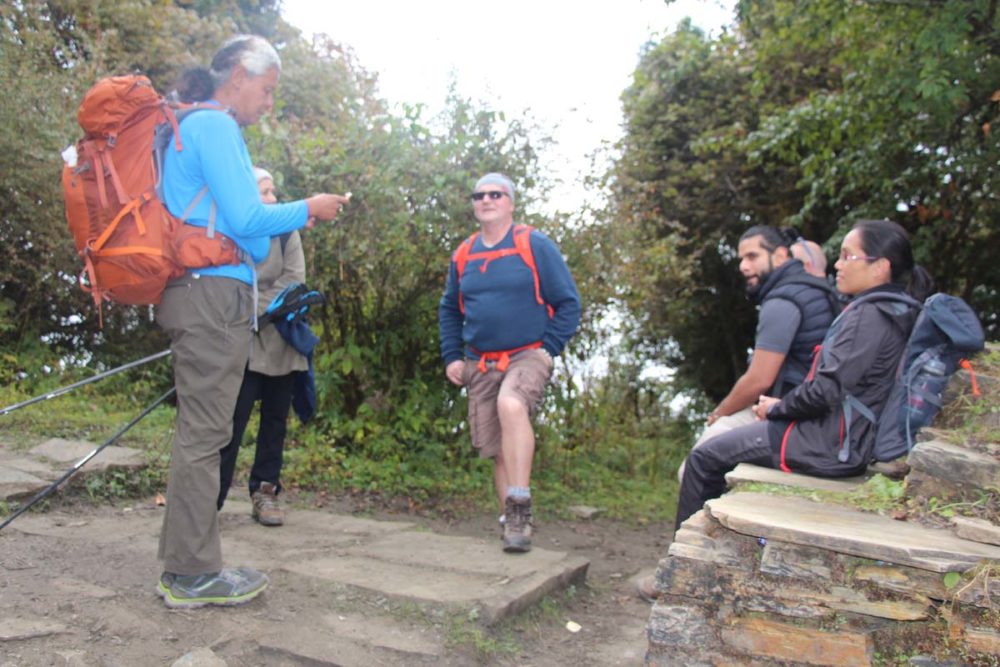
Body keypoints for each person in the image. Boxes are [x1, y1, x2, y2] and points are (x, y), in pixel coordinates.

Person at [155, 35, 349, 609]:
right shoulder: (214, 126)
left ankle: (184, 564)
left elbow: (249, 229)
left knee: (202, 430)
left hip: (200, 291)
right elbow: (247, 219)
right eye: (266, 90)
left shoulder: (192, 125)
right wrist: (308, 208)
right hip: (210, 293)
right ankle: (191, 574)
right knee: (207, 434)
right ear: (238, 74)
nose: (268, 103)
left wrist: (267, 224)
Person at [674, 219, 933, 528]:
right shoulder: (895, 309)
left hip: (826, 444)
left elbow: (825, 391)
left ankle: (685, 554)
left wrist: (777, 409)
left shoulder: (868, 315)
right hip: (843, 436)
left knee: (703, 459)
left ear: (879, 267)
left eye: (848, 256)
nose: (837, 264)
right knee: (712, 455)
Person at [438, 173, 581, 553]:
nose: (486, 200)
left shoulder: (533, 244)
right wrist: (452, 355)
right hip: (481, 361)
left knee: (511, 405)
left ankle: (520, 507)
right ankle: (512, 525)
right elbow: (450, 308)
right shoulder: (464, 253)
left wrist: (548, 350)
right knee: (498, 448)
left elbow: (568, 302)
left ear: (510, 203)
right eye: (479, 195)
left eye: (495, 194)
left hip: (528, 353)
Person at [678, 226, 838, 481]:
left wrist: (719, 413)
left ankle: (693, 519)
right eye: (741, 259)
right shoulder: (818, 290)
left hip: (792, 415)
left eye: (752, 257)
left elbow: (759, 379)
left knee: (693, 467)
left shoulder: (783, 300)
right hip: (818, 411)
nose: (743, 266)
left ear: (780, 256)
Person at [217, 167, 307, 527]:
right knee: (230, 421)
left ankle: (265, 492)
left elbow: (293, 281)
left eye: (273, 191)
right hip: (239, 345)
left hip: (281, 341)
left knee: (274, 421)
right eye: (263, 192)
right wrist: (243, 313)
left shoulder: (287, 230)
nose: (271, 199)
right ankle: (212, 497)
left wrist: (252, 309)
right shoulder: (230, 228)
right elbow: (223, 281)